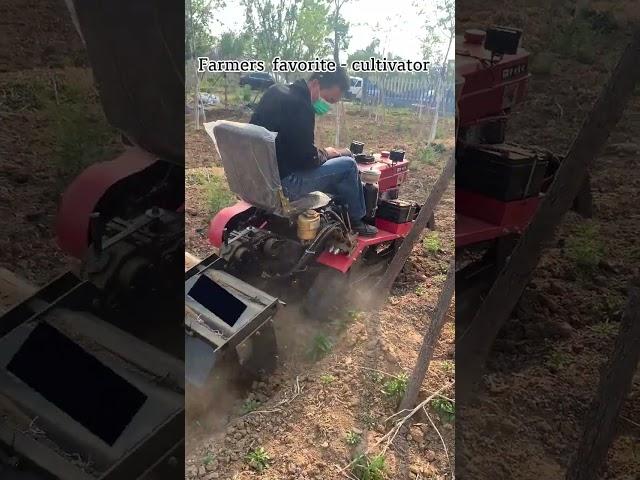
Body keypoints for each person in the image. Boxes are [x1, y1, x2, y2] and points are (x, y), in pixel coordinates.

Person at [249, 68, 378, 236]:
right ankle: (356, 220)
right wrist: (330, 152)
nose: (327, 105)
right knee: (348, 165)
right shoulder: (301, 106)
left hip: (260, 177)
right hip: (286, 184)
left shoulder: (275, 91)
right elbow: (308, 160)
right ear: (315, 84)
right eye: (328, 99)